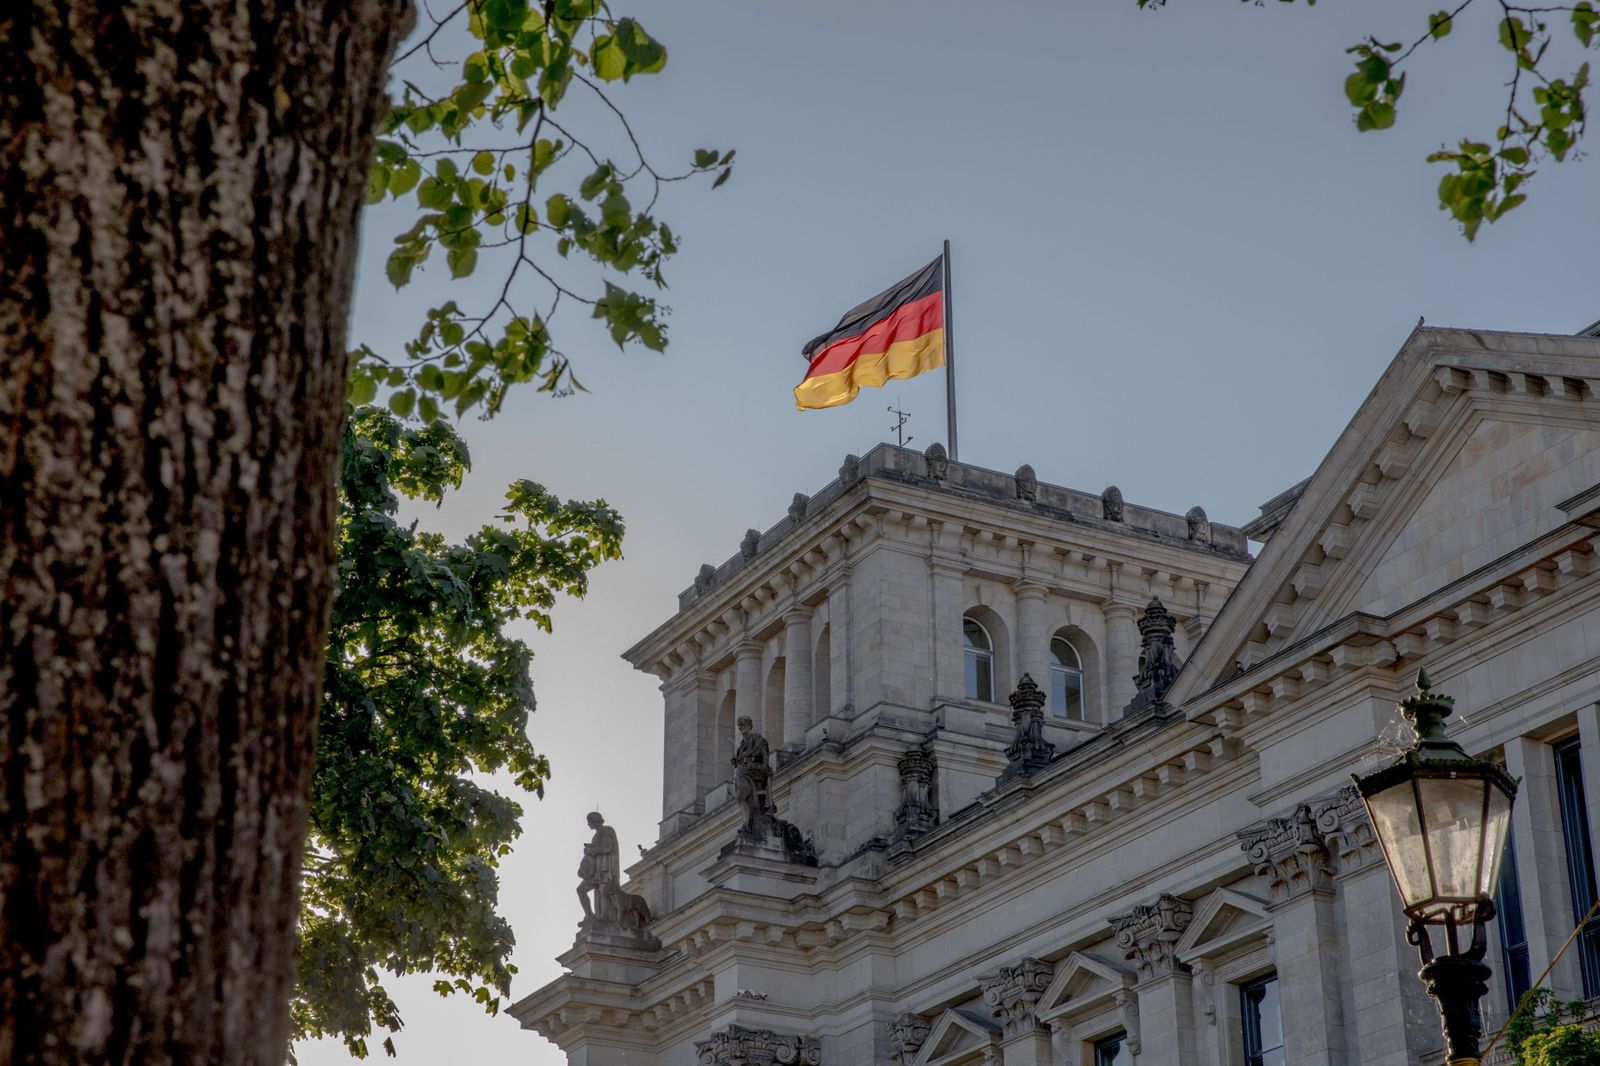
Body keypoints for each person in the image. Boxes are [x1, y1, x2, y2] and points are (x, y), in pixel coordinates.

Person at [731, 716, 771, 835]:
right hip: (743, 776)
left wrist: (751, 765)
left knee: (740, 797)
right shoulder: (741, 747)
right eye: (739, 726)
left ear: (749, 726)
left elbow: (765, 765)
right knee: (740, 797)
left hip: (755, 775)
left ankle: (747, 824)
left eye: (743, 725)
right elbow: (739, 764)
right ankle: (746, 823)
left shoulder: (759, 741)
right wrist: (736, 762)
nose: (741, 728)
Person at [576, 811, 619, 921]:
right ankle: (589, 915)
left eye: (589, 821)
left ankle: (606, 919)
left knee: (604, 892)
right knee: (581, 889)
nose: (588, 824)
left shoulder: (607, 830)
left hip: (605, 870)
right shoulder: (597, 834)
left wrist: (591, 850)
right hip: (596, 871)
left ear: (595, 820)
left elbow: (607, 848)